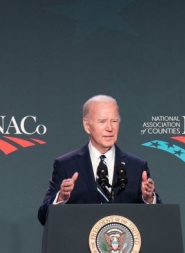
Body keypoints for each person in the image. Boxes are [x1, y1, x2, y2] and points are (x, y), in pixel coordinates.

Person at [38, 95, 160, 225]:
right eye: (102, 121)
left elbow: (157, 217)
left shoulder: (137, 166)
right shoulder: (66, 165)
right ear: (87, 125)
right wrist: (61, 197)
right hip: (78, 244)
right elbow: (43, 216)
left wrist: (148, 199)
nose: (110, 128)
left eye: (114, 121)